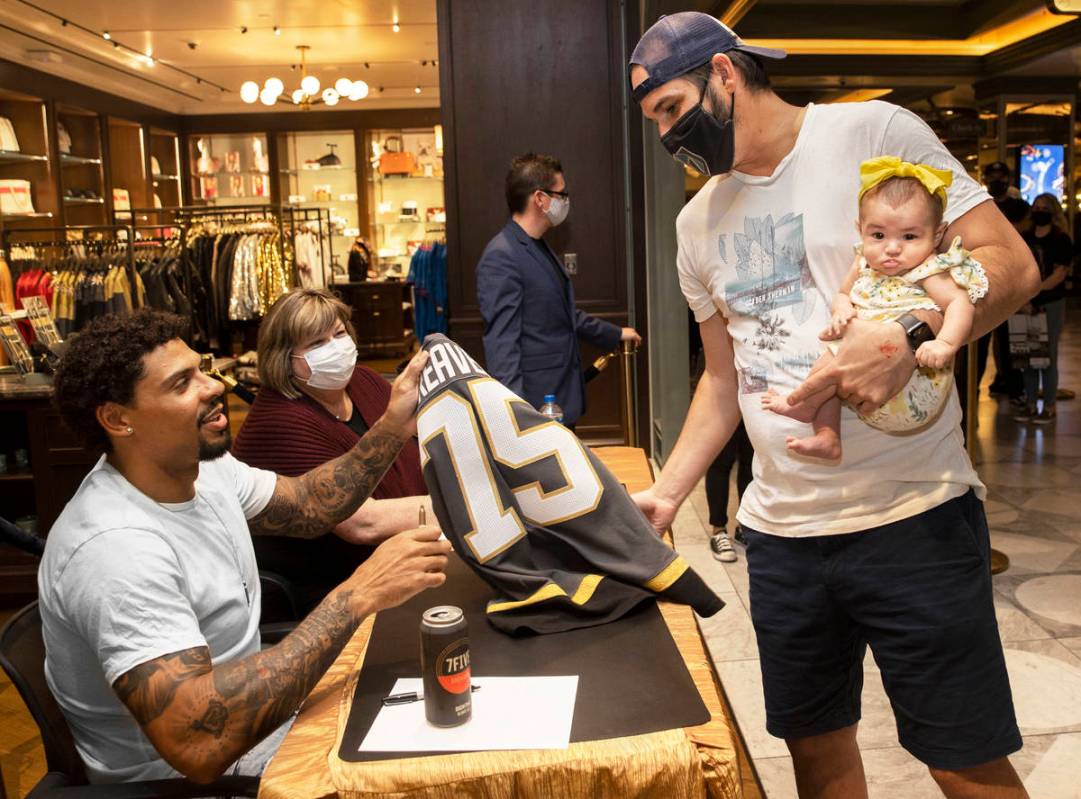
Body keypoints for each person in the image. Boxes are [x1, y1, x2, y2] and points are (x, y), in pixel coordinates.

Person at [629, 12, 1038, 798]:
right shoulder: (693, 224)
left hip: (913, 516)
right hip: (782, 538)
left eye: (671, 110)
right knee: (815, 756)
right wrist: (668, 494)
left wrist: (904, 331)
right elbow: (723, 379)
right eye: (654, 123)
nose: (668, 136)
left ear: (723, 73)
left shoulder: (873, 132)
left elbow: (1008, 264)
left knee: (962, 757)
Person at [40, 309, 450, 784]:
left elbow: (311, 504)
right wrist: (355, 596)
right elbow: (197, 743)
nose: (214, 386)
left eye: (201, 368)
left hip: (257, 726)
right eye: (181, 384)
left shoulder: (202, 466)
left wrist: (395, 423)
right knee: (431, 762)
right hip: (193, 779)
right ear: (117, 419)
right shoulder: (114, 549)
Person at [762, 158, 987, 459]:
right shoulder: (864, 263)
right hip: (864, 383)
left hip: (914, 387)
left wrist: (945, 343)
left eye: (909, 236)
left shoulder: (927, 270)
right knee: (832, 361)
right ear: (861, 230)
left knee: (831, 364)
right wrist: (841, 311)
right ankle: (828, 436)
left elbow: (959, 302)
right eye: (878, 236)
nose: (892, 248)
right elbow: (843, 294)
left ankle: (802, 402)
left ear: (936, 235)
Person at [232, 288, 431, 612]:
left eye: (338, 334)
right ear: (284, 358)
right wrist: (463, 509)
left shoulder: (362, 382)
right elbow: (364, 523)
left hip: (403, 555)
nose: (335, 348)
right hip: (339, 590)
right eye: (316, 344)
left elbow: (425, 440)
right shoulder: (279, 420)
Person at [476, 153, 641, 428]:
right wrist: (515, 420)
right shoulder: (501, 256)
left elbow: (563, 315)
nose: (565, 201)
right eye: (561, 194)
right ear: (540, 199)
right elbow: (502, 346)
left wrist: (614, 334)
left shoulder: (537, 246)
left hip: (558, 398)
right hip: (535, 407)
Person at [1013, 192, 1071, 424]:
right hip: (1025, 303)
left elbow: (1060, 272)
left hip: (1050, 303)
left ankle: (1048, 405)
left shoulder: (1061, 238)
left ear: (1054, 211)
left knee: (1047, 355)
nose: (1039, 210)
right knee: (1026, 356)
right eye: (1036, 206)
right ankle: (1029, 403)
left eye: (1045, 207)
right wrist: (1024, 298)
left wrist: (1036, 292)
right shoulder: (1024, 237)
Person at [983, 160, 1028, 403]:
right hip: (984, 283)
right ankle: (971, 390)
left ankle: (1014, 388)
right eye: (992, 177)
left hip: (1011, 283)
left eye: (1001, 176)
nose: (996, 181)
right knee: (978, 343)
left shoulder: (1020, 207)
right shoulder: (981, 206)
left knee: (1011, 341)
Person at [704, 421, 752, 562]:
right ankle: (718, 530)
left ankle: (745, 527)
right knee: (720, 461)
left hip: (755, 403)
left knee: (751, 464)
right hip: (721, 404)